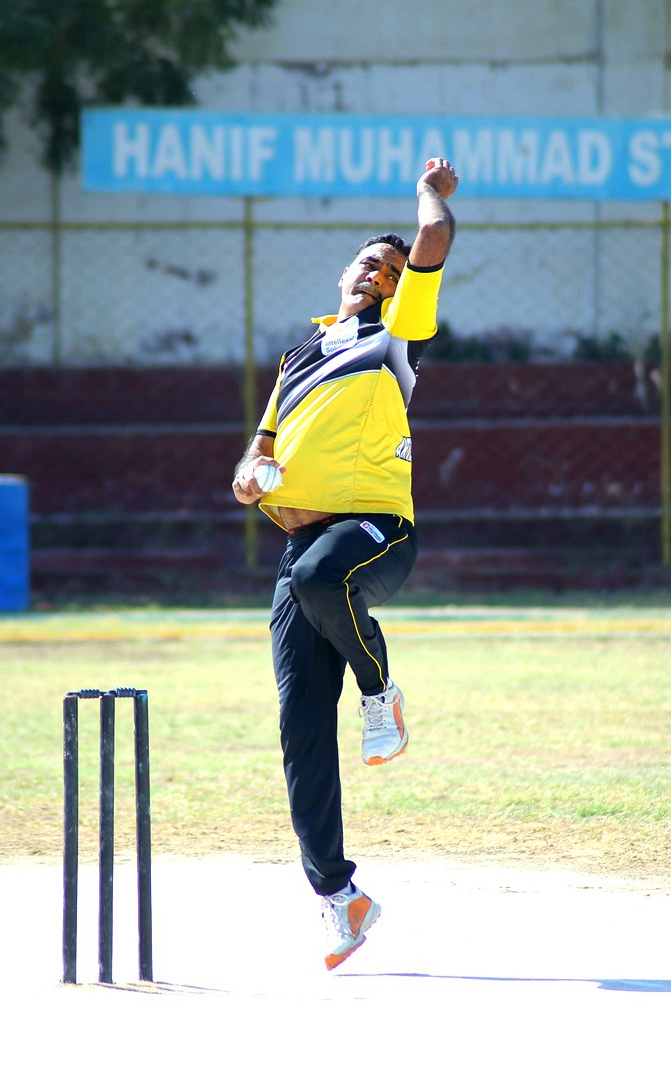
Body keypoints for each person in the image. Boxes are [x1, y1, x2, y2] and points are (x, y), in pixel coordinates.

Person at [232, 157, 458, 970]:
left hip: (376, 533)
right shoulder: (299, 356)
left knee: (318, 576)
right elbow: (257, 454)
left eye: (390, 270)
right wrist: (250, 475)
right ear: (342, 272)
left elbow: (433, 237)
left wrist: (433, 193)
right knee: (298, 725)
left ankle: (378, 691)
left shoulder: (397, 334)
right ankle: (340, 895)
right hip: (303, 548)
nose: (377, 273)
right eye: (368, 261)